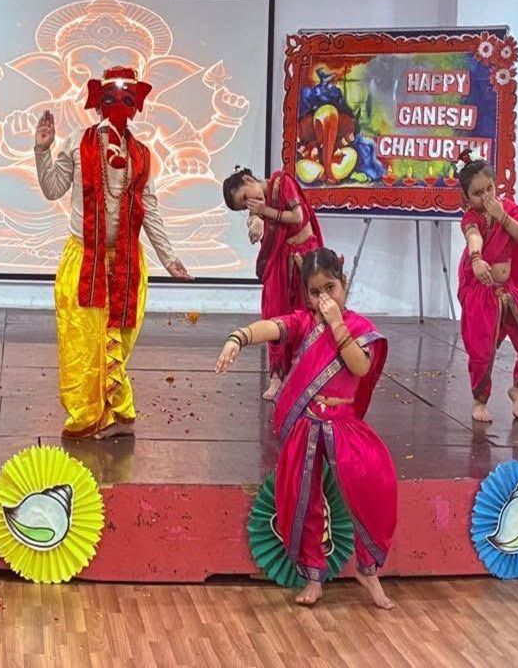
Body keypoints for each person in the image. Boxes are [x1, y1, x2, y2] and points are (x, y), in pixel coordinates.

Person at [215, 248, 396, 609]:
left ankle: (368, 570)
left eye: (330, 288)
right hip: (307, 425)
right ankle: (314, 577)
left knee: (372, 484)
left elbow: (360, 367)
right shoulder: (304, 322)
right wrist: (238, 337)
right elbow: (273, 326)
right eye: (315, 292)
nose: (324, 298)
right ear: (307, 295)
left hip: (344, 425)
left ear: (344, 282)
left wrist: (337, 325)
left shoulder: (359, 328)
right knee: (301, 496)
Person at [34, 66, 193, 440]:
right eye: (110, 100)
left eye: (126, 100)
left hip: (126, 264)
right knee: (83, 344)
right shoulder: (77, 142)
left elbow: (150, 210)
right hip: (83, 261)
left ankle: (119, 415)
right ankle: (90, 414)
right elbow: (53, 189)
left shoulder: (141, 154)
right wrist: (42, 150)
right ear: (98, 105)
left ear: (135, 105)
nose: (118, 108)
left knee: (116, 343)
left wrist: (170, 259)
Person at [456, 152, 518, 423]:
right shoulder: (472, 218)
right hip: (482, 292)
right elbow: (473, 237)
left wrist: (503, 216)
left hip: (507, 289)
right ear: (466, 198)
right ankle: (479, 402)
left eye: (489, 189)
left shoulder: (509, 210)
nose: (486, 197)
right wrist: (476, 259)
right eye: (477, 193)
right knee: (482, 350)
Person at [222, 166, 323, 400]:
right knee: (274, 314)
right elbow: (255, 219)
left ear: (248, 179)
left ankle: (305, 375)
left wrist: (264, 211)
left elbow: (297, 217)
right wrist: (255, 221)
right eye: (243, 205)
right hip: (279, 264)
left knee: (307, 315)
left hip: (305, 260)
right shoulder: (257, 207)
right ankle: (277, 377)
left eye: (245, 197)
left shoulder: (282, 182)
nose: (249, 203)